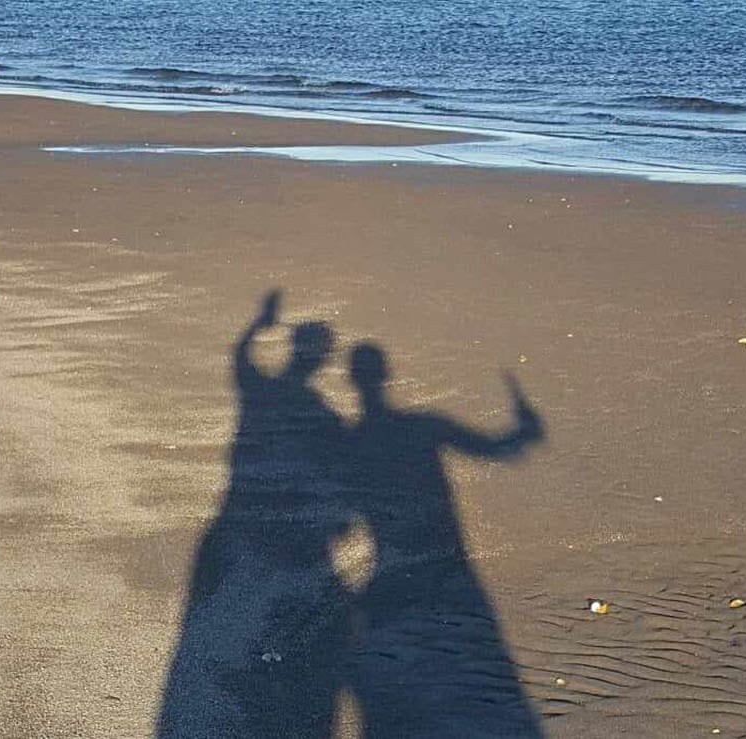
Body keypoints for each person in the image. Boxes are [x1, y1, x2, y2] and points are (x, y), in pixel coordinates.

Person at [157, 291, 351, 739]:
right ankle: (262, 681)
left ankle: (242, 686)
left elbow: (240, 357)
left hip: (241, 522)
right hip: (287, 528)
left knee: (237, 609)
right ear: (322, 359)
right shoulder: (320, 414)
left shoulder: (262, 391)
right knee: (279, 608)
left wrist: (259, 323)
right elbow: (338, 472)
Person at [345, 342, 544, 738]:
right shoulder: (425, 426)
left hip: (394, 570)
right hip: (449, 565)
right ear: (386, 375)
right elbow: (498, 448)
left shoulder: (350, 444)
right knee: (467, 672)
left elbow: (340, 521)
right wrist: (526, 429)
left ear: (353, 380)